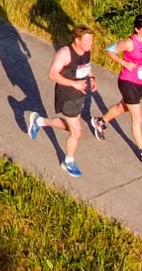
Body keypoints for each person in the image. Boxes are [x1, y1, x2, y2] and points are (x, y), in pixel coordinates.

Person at [26, 27, 95, 178]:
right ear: (77, 40)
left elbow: (86, 66)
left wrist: (91, 78)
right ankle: (68, 161)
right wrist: (73, 84)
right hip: (67, 95)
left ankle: (39, 121)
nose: (91, 43)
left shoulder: (86, 50)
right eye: (88, 40)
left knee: (71, 128)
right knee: (77, 132)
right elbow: (52, 74)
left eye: (91, 40)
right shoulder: (65, 53)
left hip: (79, 94)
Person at [96, 15, 142, 165]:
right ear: (137, 29)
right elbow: (109, 50)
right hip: (128, 81)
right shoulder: (129, 43)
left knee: (123, 107)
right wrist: (123, 63)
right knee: (138, 118)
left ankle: (100, 121)